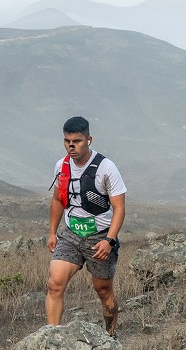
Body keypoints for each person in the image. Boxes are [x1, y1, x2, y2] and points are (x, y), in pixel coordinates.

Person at [45, 116, 127, 338]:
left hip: (99, 236)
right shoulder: (61, 166)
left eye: (77, 141)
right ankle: (52, 340)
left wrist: (109, 240)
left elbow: (119, 208)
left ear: (89, 140)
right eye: (67, 141)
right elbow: (57, 200)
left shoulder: (106, 168)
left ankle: (111, 336)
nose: (71, 146)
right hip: (71, 234)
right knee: (54, 284)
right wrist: (52, 232)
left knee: (103, 290)